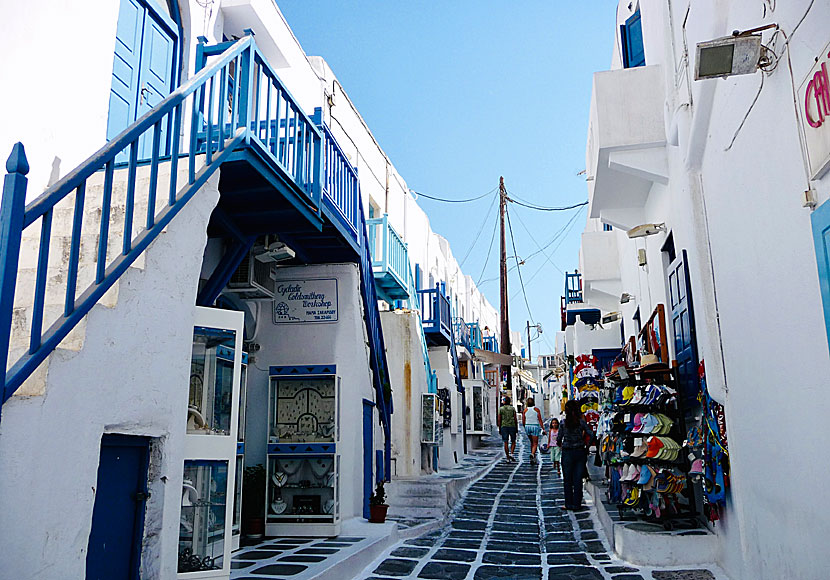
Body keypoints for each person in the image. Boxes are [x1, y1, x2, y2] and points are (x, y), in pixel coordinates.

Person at [557, 399, 594, 510]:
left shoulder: (563, 423)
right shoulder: (581, 422)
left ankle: (569, 503)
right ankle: (577, 504)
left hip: (567, 452)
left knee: (568, 479)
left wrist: (561, 445)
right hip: (580, 451)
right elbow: (591, 434)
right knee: (578, 479)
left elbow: (559, 438)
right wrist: (587, 446)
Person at [522, 397, 544, 465]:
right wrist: (543, 428)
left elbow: (523, 420)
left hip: (527, 426)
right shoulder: (536, 410)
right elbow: (540, 420)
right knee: (535, 443)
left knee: (532, 442)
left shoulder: (525, 410)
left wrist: (524, 426)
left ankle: (533, 457)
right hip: (534, 426)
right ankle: (532, 454)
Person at [497, 396, 518, 461]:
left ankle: (507, 457)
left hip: (504, 426)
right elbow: (515, 418)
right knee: (513, 441)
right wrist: (516, 427)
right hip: (512, 426)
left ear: (504, 401)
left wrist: (499, 428)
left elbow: (499, 419)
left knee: (505, 442)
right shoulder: (513, 409)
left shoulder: (501, 409)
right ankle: (512, 453)